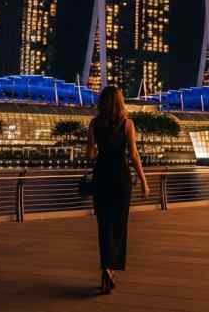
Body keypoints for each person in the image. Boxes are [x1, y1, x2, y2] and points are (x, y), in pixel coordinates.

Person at [86, 85, 150, 295]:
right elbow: (133, 155)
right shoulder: (127, 124)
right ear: (120, 102)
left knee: (103, 226)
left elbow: (90, 154)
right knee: (119, 226)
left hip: (101, 177)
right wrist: (143, 181)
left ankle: (106, 268)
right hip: (121, 178)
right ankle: (112, 268)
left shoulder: (94, 123)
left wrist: (97, 148)